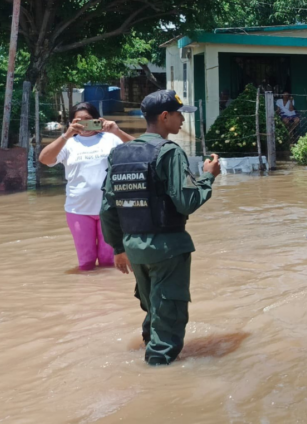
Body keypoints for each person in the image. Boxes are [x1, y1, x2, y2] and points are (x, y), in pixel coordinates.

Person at [100, 90, 221, 366]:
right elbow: (187, 202)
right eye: (179, 115)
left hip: (134, 248)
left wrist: (118, 248)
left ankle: (150, 351)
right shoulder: (169, 152)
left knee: (155, 309)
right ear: (165, 117)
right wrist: (208, 177)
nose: (182, 121)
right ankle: (158, 378)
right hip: (167, 248)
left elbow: (107, 208)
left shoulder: (119, 153)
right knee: (169, 317)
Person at [38, 102, 133, 271]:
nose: (84, 125)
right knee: (86, 263)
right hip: (78, 211)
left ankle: (107, 295)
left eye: (88, 120)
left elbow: (142, 150)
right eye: (78, 121)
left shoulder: (111, 139)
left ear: (98, 120)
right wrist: (66, 135)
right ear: (71, 123)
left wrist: (116, 130)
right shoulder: (68, 144)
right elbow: (45, 159)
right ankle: (85, 293)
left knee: (108, 262)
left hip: (110, 211)